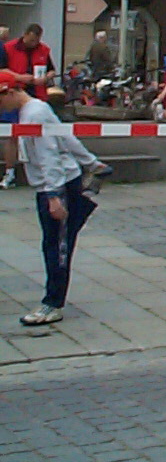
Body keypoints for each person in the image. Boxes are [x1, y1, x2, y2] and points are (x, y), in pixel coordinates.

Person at [0, 69, 113, 325]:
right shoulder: (36, 110)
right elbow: (66, 138)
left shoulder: (34, 113)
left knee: (57, 247)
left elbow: (49, 156)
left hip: (57, 185)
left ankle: (53, 303)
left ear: (9, 92)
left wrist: (53, 195)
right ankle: (53, 300)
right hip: (61, 182)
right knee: (57, 243)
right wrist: (92, 163)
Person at [4, 24, 56, 101]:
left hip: (38, 93)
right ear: (25, 35)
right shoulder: (8, 48)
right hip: (15, 92)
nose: (34, 43)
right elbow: (2, 70)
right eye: (31, 40)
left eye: (37, 41)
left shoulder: (43, 50)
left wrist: (46, 78)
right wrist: (20, 77)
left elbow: (52, 70)